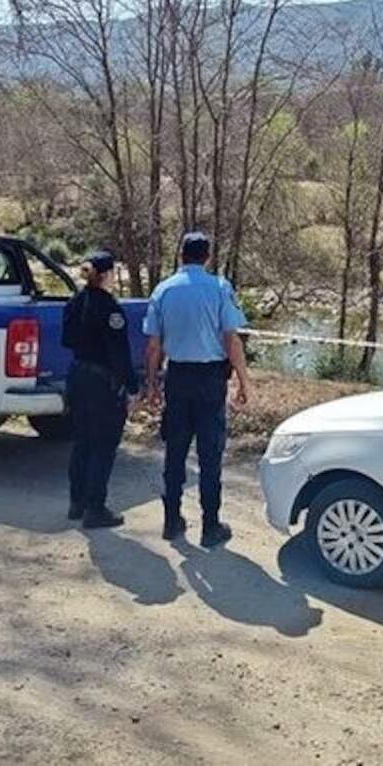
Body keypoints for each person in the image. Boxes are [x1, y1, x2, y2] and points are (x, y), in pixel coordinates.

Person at [142, 232, 251, 548]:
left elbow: (153, 345)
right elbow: (231, 339)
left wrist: (152, 384)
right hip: (209, 380)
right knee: (210, 453)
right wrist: (243, 381)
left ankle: (171, 519)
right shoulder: (219, 288)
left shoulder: (163, 290)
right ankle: (210, 525)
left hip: (177, 376)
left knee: (174, 451)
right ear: (207, 257)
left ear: (180, 256)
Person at [62, 249, 138, 529]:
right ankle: (95, 507)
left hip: (78, 376)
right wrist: (132, 386)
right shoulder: (110, 309)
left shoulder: (75, 303)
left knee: (82, 441)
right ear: (106, 275)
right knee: (103, 446)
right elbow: (120, 353)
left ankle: (76, 501)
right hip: (102, 383)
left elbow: (66, 340)